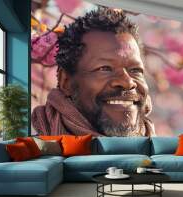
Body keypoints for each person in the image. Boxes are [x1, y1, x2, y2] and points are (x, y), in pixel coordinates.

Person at [32, 8, 155, 137]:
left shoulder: (158, 152)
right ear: (66, 82)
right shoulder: (33, 151)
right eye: (105, 68)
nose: (127, 82)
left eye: (135, 70)